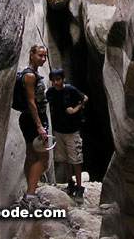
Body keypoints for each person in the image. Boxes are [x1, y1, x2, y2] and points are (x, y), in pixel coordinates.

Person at [46, 68, 88, 204]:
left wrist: (75, 109)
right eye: (53, 80)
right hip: (58, 131)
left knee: (75, 160)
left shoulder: (70, 89)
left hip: (72, 131)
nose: (56, 82)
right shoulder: (51, 92)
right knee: (63, 159)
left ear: (63, 79)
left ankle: (80, 187)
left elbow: (85, 98)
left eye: (58, 79)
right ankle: (70, 183)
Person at [18, 44, 49, 211]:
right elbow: (31, 102)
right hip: (33, 119)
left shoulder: (32, 74)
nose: (43, 59)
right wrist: (40, 126)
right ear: (31, 55)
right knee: (42, 157)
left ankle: (29, 193)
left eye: (45, 56)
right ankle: (30, 196)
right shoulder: (29, 76)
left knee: (31, 155)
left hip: (30, 118)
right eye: (40, 55)